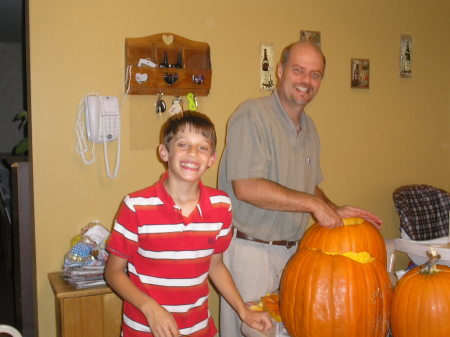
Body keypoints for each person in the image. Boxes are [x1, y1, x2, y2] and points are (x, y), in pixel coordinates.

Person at [218, 41, 383, 337]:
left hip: (294, 256)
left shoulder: (310, 129)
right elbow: (246, 187)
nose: (306, 80)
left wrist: (329, 207)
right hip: (249, 253)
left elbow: (309, 185)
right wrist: (311, 204)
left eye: (315, 74)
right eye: (298, 70)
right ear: (280, 71)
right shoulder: (251, 116)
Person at [105, 111, 272, 337]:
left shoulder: (221, 206)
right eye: (183, 144)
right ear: (164, 152)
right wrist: (150, 308)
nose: (193, 154)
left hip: (198, 329)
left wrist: (244, 311)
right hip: (145, 329)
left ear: (212, 158)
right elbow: (113, 273)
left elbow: (215, 265)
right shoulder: (135, 206)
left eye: (202, 147)